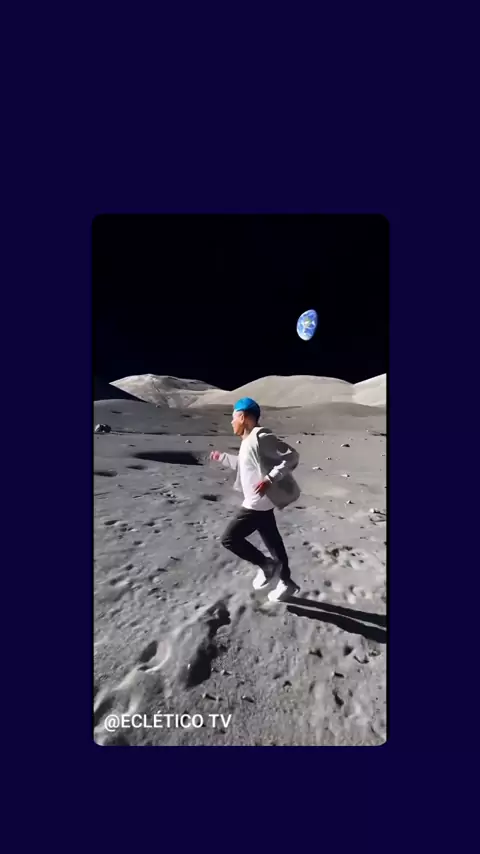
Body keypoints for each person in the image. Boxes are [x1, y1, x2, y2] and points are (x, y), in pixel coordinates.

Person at [210, 397, 300, 602]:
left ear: (242, 417)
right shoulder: (248, 441)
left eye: (233, 417)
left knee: (229, 539)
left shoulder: (261, 436)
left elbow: (292, 456)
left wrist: (270, 478)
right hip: (262, 503)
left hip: (256, 504)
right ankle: (286, 582)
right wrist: (221, 457)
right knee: (274, 544)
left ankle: (266, 566)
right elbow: (245, 465)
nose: (231, 422)